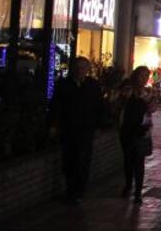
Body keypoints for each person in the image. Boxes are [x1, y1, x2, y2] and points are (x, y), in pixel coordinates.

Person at [49, 57, 105, 204]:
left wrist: (99, 125)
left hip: (86, 129)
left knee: (83, 159)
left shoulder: (93, 86)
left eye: (83, 68)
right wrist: (54, 125)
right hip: (68, 128)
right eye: (77, 67)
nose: (80, 71)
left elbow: (100, 106)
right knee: (68, 160)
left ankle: (78, 191)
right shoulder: (63, 85)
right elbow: (56, 105)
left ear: (87, 70)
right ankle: (71, 189)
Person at [118, 66, 153, 203]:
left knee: (139, 161)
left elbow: (151, 110)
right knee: (128, 160)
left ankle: (138, 191)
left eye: (146, 76)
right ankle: (128, 185)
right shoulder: (128, 89)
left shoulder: (147, 92)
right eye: (141, 75)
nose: (144, 79)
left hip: (142, 131)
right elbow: (119, 102)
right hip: (127, 130)